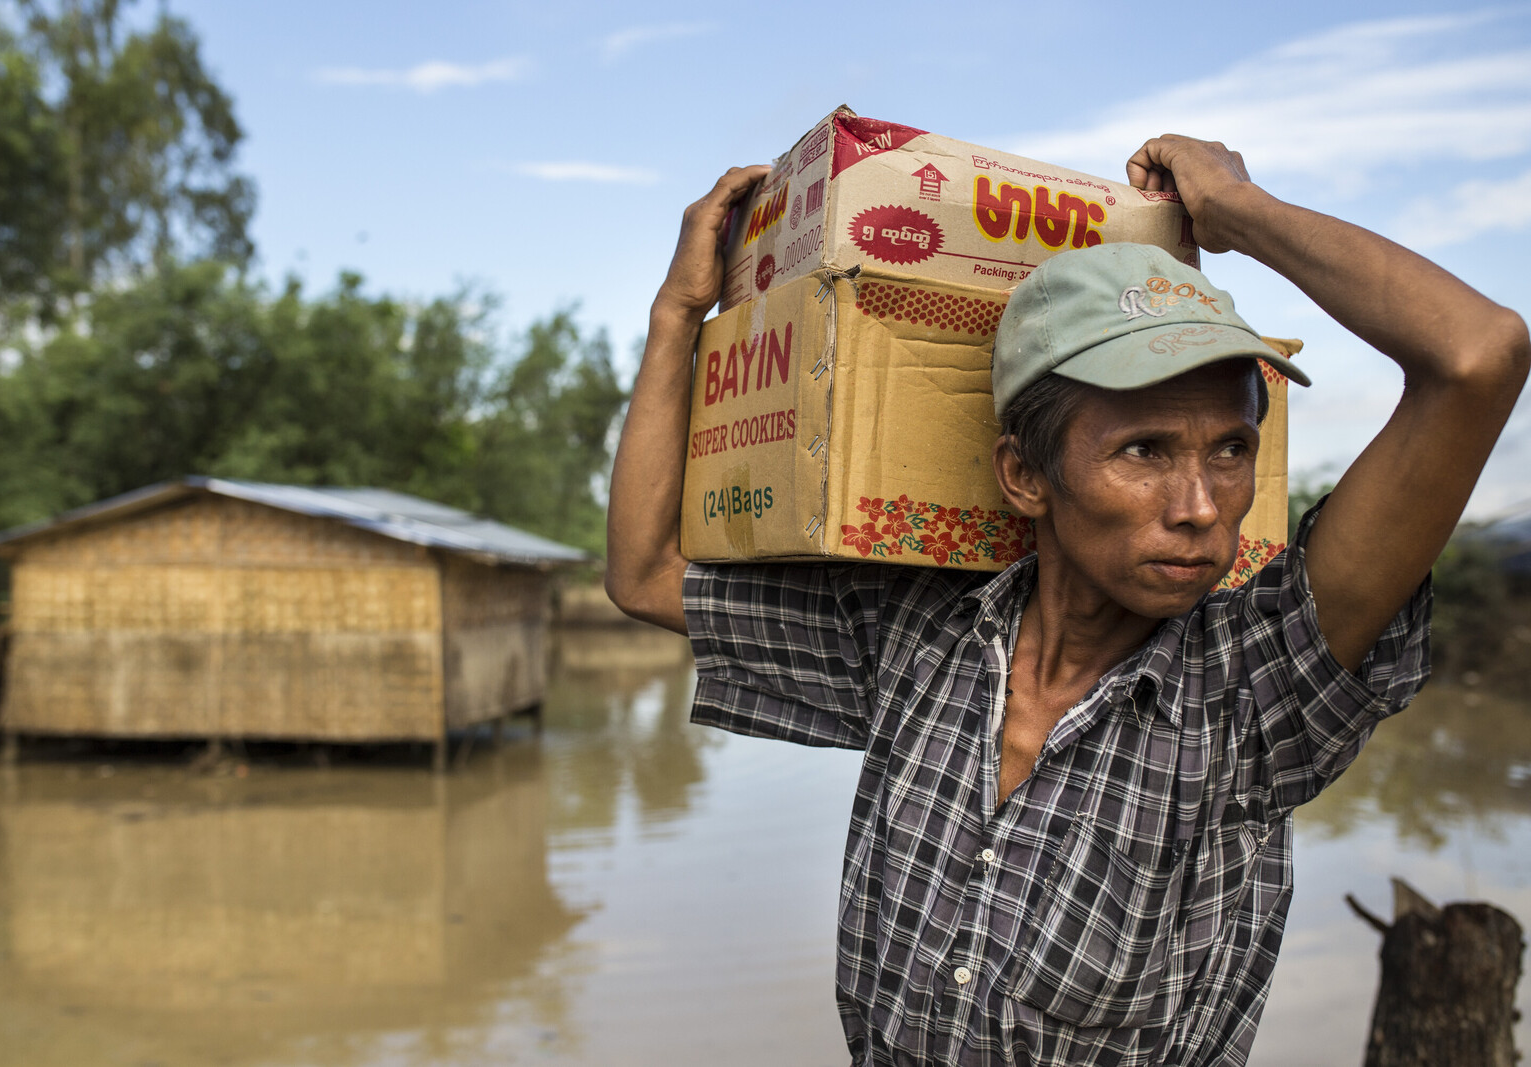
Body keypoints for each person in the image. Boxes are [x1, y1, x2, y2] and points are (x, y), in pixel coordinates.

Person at [604, 135, 1530, 1065]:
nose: (1201, 507)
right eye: (1145, 451)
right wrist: (678, 316)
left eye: (1231, 449)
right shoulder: (917, 639)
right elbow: (646, 572)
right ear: (1025, 475)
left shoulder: (1256, 688)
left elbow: (1477, 354)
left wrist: (1240, 212)